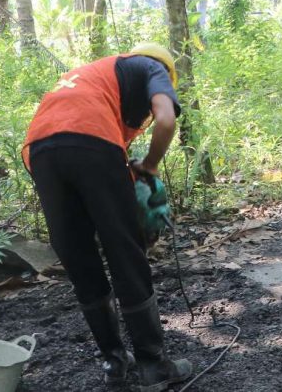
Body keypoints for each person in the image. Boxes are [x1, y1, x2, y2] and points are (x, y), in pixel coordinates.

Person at [22, 43, 192, 387]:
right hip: (90, 141)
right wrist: (151, 166)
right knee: (125, 253)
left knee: (80, 259)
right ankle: (153, 366)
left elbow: (90, 158)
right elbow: (165, 118)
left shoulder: (93, 77)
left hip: (40, 151)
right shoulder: (150, 66)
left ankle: (115, 362)